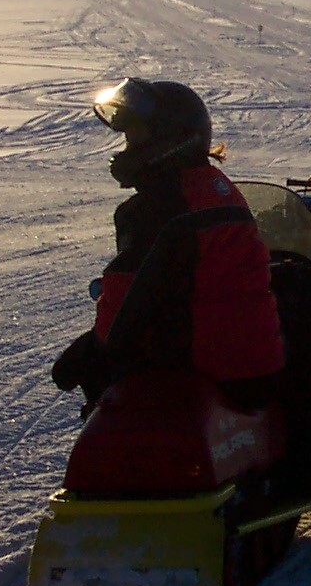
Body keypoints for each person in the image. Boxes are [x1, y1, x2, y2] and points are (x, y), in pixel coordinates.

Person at [50, 78, 285, 410]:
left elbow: (122, 306)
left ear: (169, 141)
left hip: (205, 373)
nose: (127, 149)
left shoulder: (160, 206)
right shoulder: (216, 187)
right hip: (256, 371)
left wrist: (90, 352)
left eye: (135, 138)